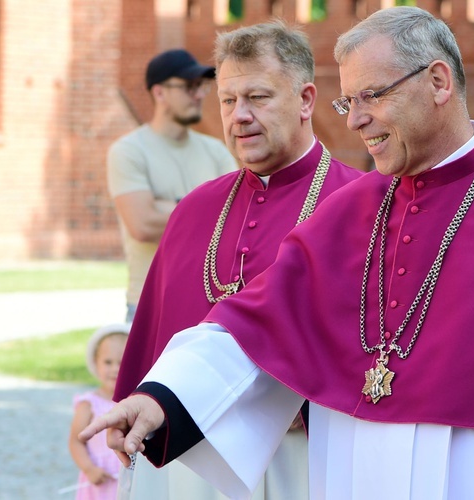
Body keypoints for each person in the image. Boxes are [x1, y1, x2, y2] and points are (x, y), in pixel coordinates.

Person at [83, 7, 474, 498]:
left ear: (438, 82)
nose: (355, 121)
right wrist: (162, 398)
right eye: (348, 102)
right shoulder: (350, 210)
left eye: (372, 95)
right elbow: (258, 319)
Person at [113, 21, 363, 500]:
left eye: (259, 97)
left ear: (307, 100)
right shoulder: (195, 210)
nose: (239, 116)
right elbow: (156, 332)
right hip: (190, 453)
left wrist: (308, 399)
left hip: (304, 454)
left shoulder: (359, 202)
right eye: (228, 100)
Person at [108, 48, 238, 322]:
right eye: (189, 86)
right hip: (148, 304)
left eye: (201, 86)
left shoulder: (216, 150)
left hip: (208, 305)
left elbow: (238, 219)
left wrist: (168, 205)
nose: (200, 94)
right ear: (159, 92)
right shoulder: (129, 151)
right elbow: (142, 225)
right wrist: (208, 211)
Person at [68, 323, 129, 499]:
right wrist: (89, 468)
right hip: (99, 482)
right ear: (96, 363)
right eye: (108, 362)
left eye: (122, 362)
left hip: (127, 478)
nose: (115, 369)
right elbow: (76, 441)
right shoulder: (89, 403)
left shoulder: (135, 402)